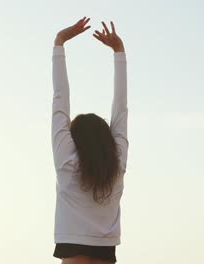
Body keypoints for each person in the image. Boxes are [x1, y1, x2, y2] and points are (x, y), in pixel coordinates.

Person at [51, 17, 129, 264]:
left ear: (74, 139)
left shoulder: (67, 161)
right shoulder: (116, 164)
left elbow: (59, 99)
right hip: (106, 256)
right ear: (107, 140)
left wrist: (59, 43)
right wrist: (119, 52)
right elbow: (121, 108)